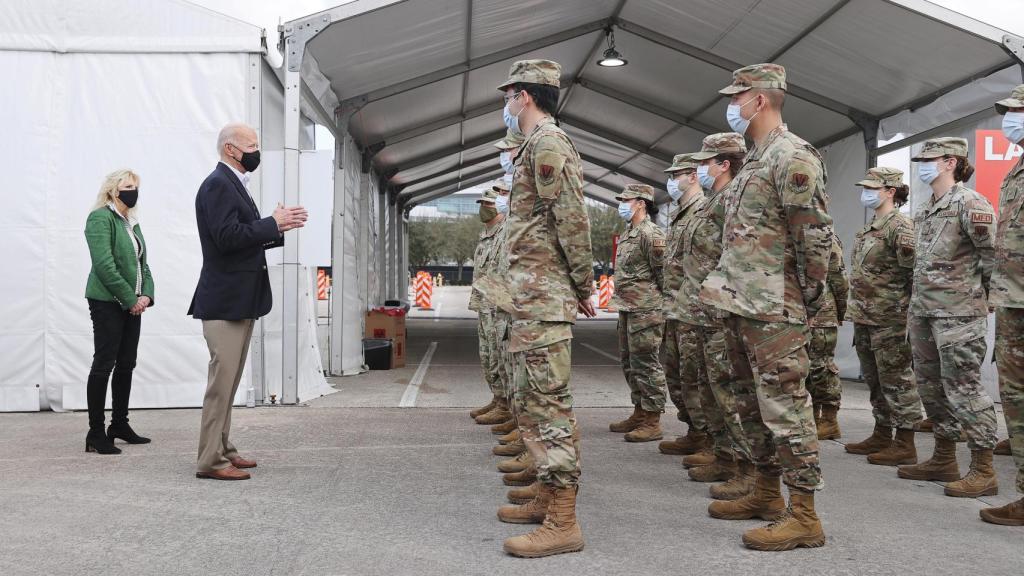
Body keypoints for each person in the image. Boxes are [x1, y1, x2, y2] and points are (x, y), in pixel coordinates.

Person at [699, 63, 832, 551]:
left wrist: (811, 296)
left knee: (786, 406)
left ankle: (804, 515)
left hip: (777, 306)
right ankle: (764, 492)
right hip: (742, 301)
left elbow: (813, 235)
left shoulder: (792, 157)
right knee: (749, 403)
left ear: (762, 100)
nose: (733, 106)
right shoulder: (755, 159)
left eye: (739, 97)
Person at [491, 59, 594, 558]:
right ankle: (545, 497)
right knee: (533, 402)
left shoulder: (549, 144)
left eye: (509, 95)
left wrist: (582, 282)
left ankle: (563, 521)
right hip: (530, 294)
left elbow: (571, 217)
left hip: (545, 294)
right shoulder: (534, 146)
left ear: (525, 96)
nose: (506, 105)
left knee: (549, 406)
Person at [189, 123, 307, 481]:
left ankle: (223, 448)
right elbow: (227, 238)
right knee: (220, 386)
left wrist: (276, 227)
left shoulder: (232, 184)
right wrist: (271, 223)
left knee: (229, 383)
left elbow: (244, 236)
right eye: (251, 145)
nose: (256, 151)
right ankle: (210, 460)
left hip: (240, 299)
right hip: (225, 301)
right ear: (230, 149)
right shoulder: (218, 185)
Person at [896, 137, 998, 499]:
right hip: (924, 311)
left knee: (964, 390)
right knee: (931, 389)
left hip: (958, 314)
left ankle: (983, 468)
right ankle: (943, 458)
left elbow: (992, 256)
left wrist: (985, 299)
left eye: (930, 158)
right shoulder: (926, 208)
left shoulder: (970, 203)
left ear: (950, 162)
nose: (923, 164)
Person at [844, 167, 925, 465]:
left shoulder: (900, 227)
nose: (865, 193)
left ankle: (905, 442)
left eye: (872, 188)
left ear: (890, 191)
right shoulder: (869, 229)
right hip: (866, 316)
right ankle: (882, 431)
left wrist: (909, 316)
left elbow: (914, 274)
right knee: (876, 379)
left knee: (897, 379)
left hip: (891, 318)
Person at [83, 169, 155, 454]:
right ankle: (96, 432)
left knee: (127, 363)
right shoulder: (100, 218)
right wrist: (130, 298)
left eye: (136, 186)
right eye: (127, 186)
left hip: (131, 304)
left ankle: (119, 425)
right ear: (113, 190)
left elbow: (142, 265)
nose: (133, 191)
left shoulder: (131, 223)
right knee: (104, 363)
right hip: (107, 302)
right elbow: (104, 265)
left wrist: (146, 294)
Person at [981, 85, 1024, 525]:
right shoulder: (1016, 170)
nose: (1010, 117)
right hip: (1014, 300)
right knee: (1015, 398)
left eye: (1018, 110)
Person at [657, 154, 708, 457]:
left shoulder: (703, 210)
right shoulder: (680, 213)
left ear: (692, 176)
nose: (672, 181)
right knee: (676, 375)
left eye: (677, 175)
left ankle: (707, 436)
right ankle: (693, 429)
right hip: (677, 307)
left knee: (695, 376)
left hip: (695, 309)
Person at [608, 184, 667, 442]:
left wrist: (660, 305)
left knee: (646, 364)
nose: (622, 203)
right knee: (630, 363)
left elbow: (663, 273)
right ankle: (640, 411)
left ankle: (652, 419)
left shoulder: (650, 233)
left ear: (641, 203)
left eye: (627, 199)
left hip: (646, 310)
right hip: (627, 307)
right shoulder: (629, 232)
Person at [469, 184, 513, 429]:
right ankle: (498, 398)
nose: (484, 208)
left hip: (498, 306)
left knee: (499, 355)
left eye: (489, 204)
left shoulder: (505, 232)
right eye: (482, 204)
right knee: (487, 355)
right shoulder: (487, 233)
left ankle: (506, 405)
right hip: (485, 303)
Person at [807, 232, 848, 440]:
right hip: (800, 311)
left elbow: (838, 277)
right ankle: (812, 418)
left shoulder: (826, 235)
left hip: (823, 312)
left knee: (821, 367)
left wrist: (841, 310)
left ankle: (830, 420)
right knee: (804, 368)